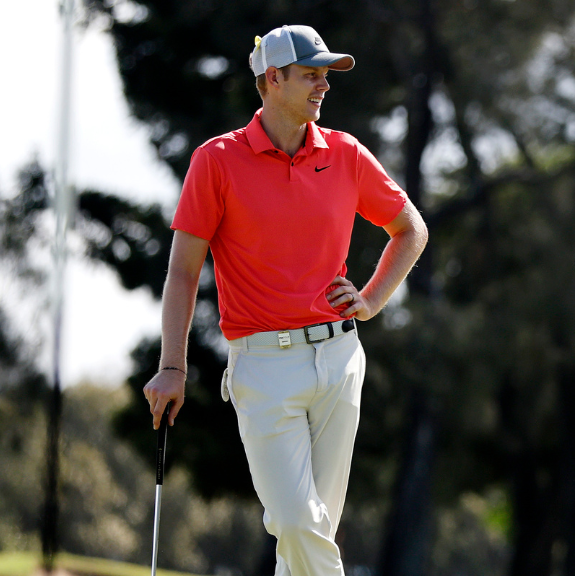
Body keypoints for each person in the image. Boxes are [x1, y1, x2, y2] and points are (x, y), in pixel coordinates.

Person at [143, 25, 428, 576]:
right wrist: (172, 367)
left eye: (326, 75)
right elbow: (182, 272)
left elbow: (409, 228)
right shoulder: (218, 160)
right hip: (264, 365)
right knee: (298, 524)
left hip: (341, 359)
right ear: (273, 79)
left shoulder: (344, 153)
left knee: (312, 533)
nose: (324, 85)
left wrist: (370, 300)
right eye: (311, 74)